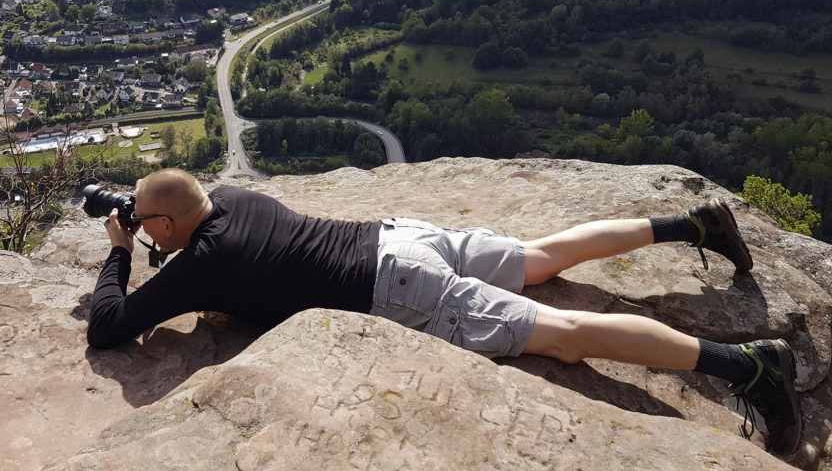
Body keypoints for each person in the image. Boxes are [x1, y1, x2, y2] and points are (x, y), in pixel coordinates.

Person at [87, 168, 803, 455]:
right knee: (542, 255)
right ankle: (695, 224)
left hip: (399, 291)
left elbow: (112, 327)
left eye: (147, 225)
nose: (144, 231)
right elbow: (189, 218)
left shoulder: (202, 260)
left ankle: (749, 367)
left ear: (169, 226)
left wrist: (119, 254)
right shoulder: (233, 198)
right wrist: (147, 223)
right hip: (398, 237)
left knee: (566, 337)